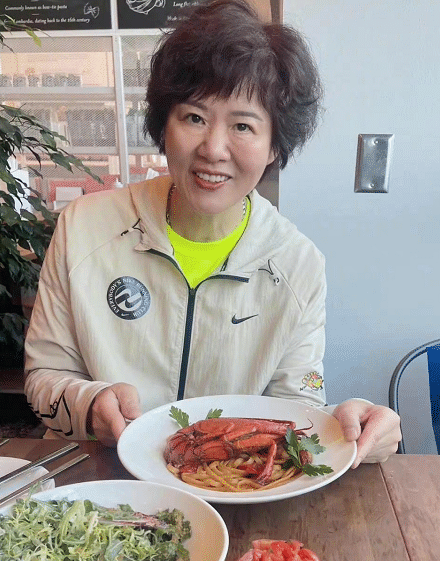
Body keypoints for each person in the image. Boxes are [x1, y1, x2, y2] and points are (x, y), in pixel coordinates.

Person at [24, 0, 401, 467]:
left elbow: (295, 408)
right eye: (194, 118)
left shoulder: (298, 264)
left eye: (243, 125)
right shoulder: (84, 227)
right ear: (164, 125)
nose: (213, 149)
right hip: (98, 476)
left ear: (274, 147)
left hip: (227, 488)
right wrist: (89, 405)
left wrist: (346, 425)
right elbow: (45, 376)